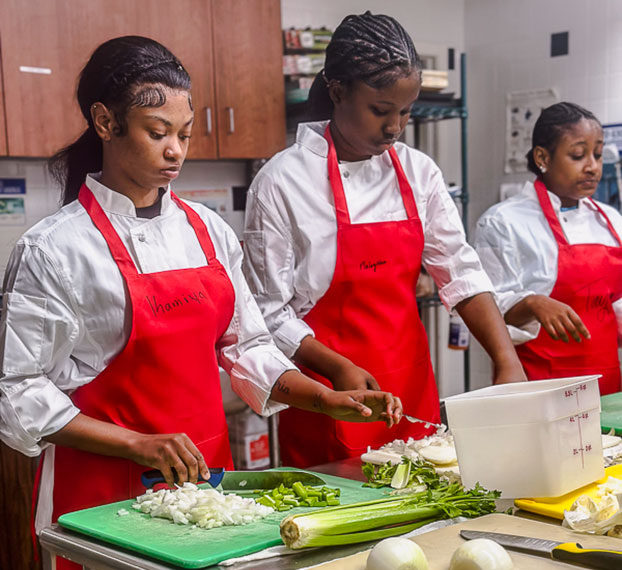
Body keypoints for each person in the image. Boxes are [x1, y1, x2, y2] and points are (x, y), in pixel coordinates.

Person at [0, 36, 403, 568]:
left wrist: (321, 398)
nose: (175, 151)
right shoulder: (55, 248)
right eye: (157, 132)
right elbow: (16, 390)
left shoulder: (208, 231)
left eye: (184, 134)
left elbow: (247, 344)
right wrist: (137, 445)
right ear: (104, 122)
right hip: (99, 495)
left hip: (206, 487)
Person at [243, 12, 526, 469]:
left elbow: (461, 271)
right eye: (380, 110)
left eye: (406, 112)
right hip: (328, 397)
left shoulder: (418, 172)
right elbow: (268, 314)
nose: (395, 127)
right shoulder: (282, 182)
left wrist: (505, 357)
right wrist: (338, 369)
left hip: (412, 392)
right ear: (337, 92)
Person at [475, 102, 622, 395]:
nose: (592, 166)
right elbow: (487, 308)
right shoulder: (503, 221)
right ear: (543, 157)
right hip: (539, 385)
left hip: (608, 387)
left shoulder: (610, 220)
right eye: (578, 155)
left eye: (597, 154)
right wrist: (532, 303)